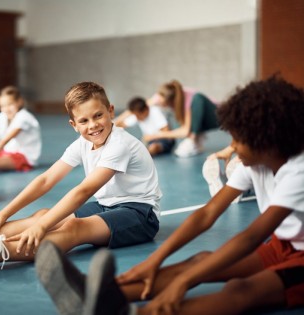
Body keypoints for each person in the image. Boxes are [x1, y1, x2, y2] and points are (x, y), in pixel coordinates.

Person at [34, 76, 304, 315]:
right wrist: (154, 261)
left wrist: (182, 283)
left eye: (237, 140)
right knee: (200, 260)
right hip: (285, 244)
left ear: (266, 141)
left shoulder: (297, 172)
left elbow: (251, 236)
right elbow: (206, 214)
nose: (230, 147)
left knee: (241, 291)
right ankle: (97, 296)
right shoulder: (253, 163)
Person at [0, 81, 162, 276]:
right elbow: (45, 180)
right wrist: (6, 213)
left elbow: (83, 191)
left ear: (111, 112)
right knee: (42, 214)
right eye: (84, 121)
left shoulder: (119, 144)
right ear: (73, 125)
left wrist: (41, 228)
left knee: (72, 227)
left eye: (98, 115)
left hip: (139, 214)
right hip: (107, 205)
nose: (93, 125)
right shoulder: (83, 143)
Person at [146, 80, 220, 158]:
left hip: (216, 116)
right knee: (178, 118)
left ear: (171, 102)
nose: (161, 105)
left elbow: (185, 132)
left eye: (164, 104)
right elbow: (144, 104)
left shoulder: (191, 100)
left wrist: (157, 135)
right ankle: (197, 137)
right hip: (201, 118)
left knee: (198, 98)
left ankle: (194, 137)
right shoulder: (162, 95)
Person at [0, 86, 41, 171]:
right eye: (2, 106)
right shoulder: (2, 117)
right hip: (6, 153)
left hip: (23, 157)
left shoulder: (24, 117)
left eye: (10, 104)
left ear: (19, 102)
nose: (6, 109)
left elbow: (4, 141)